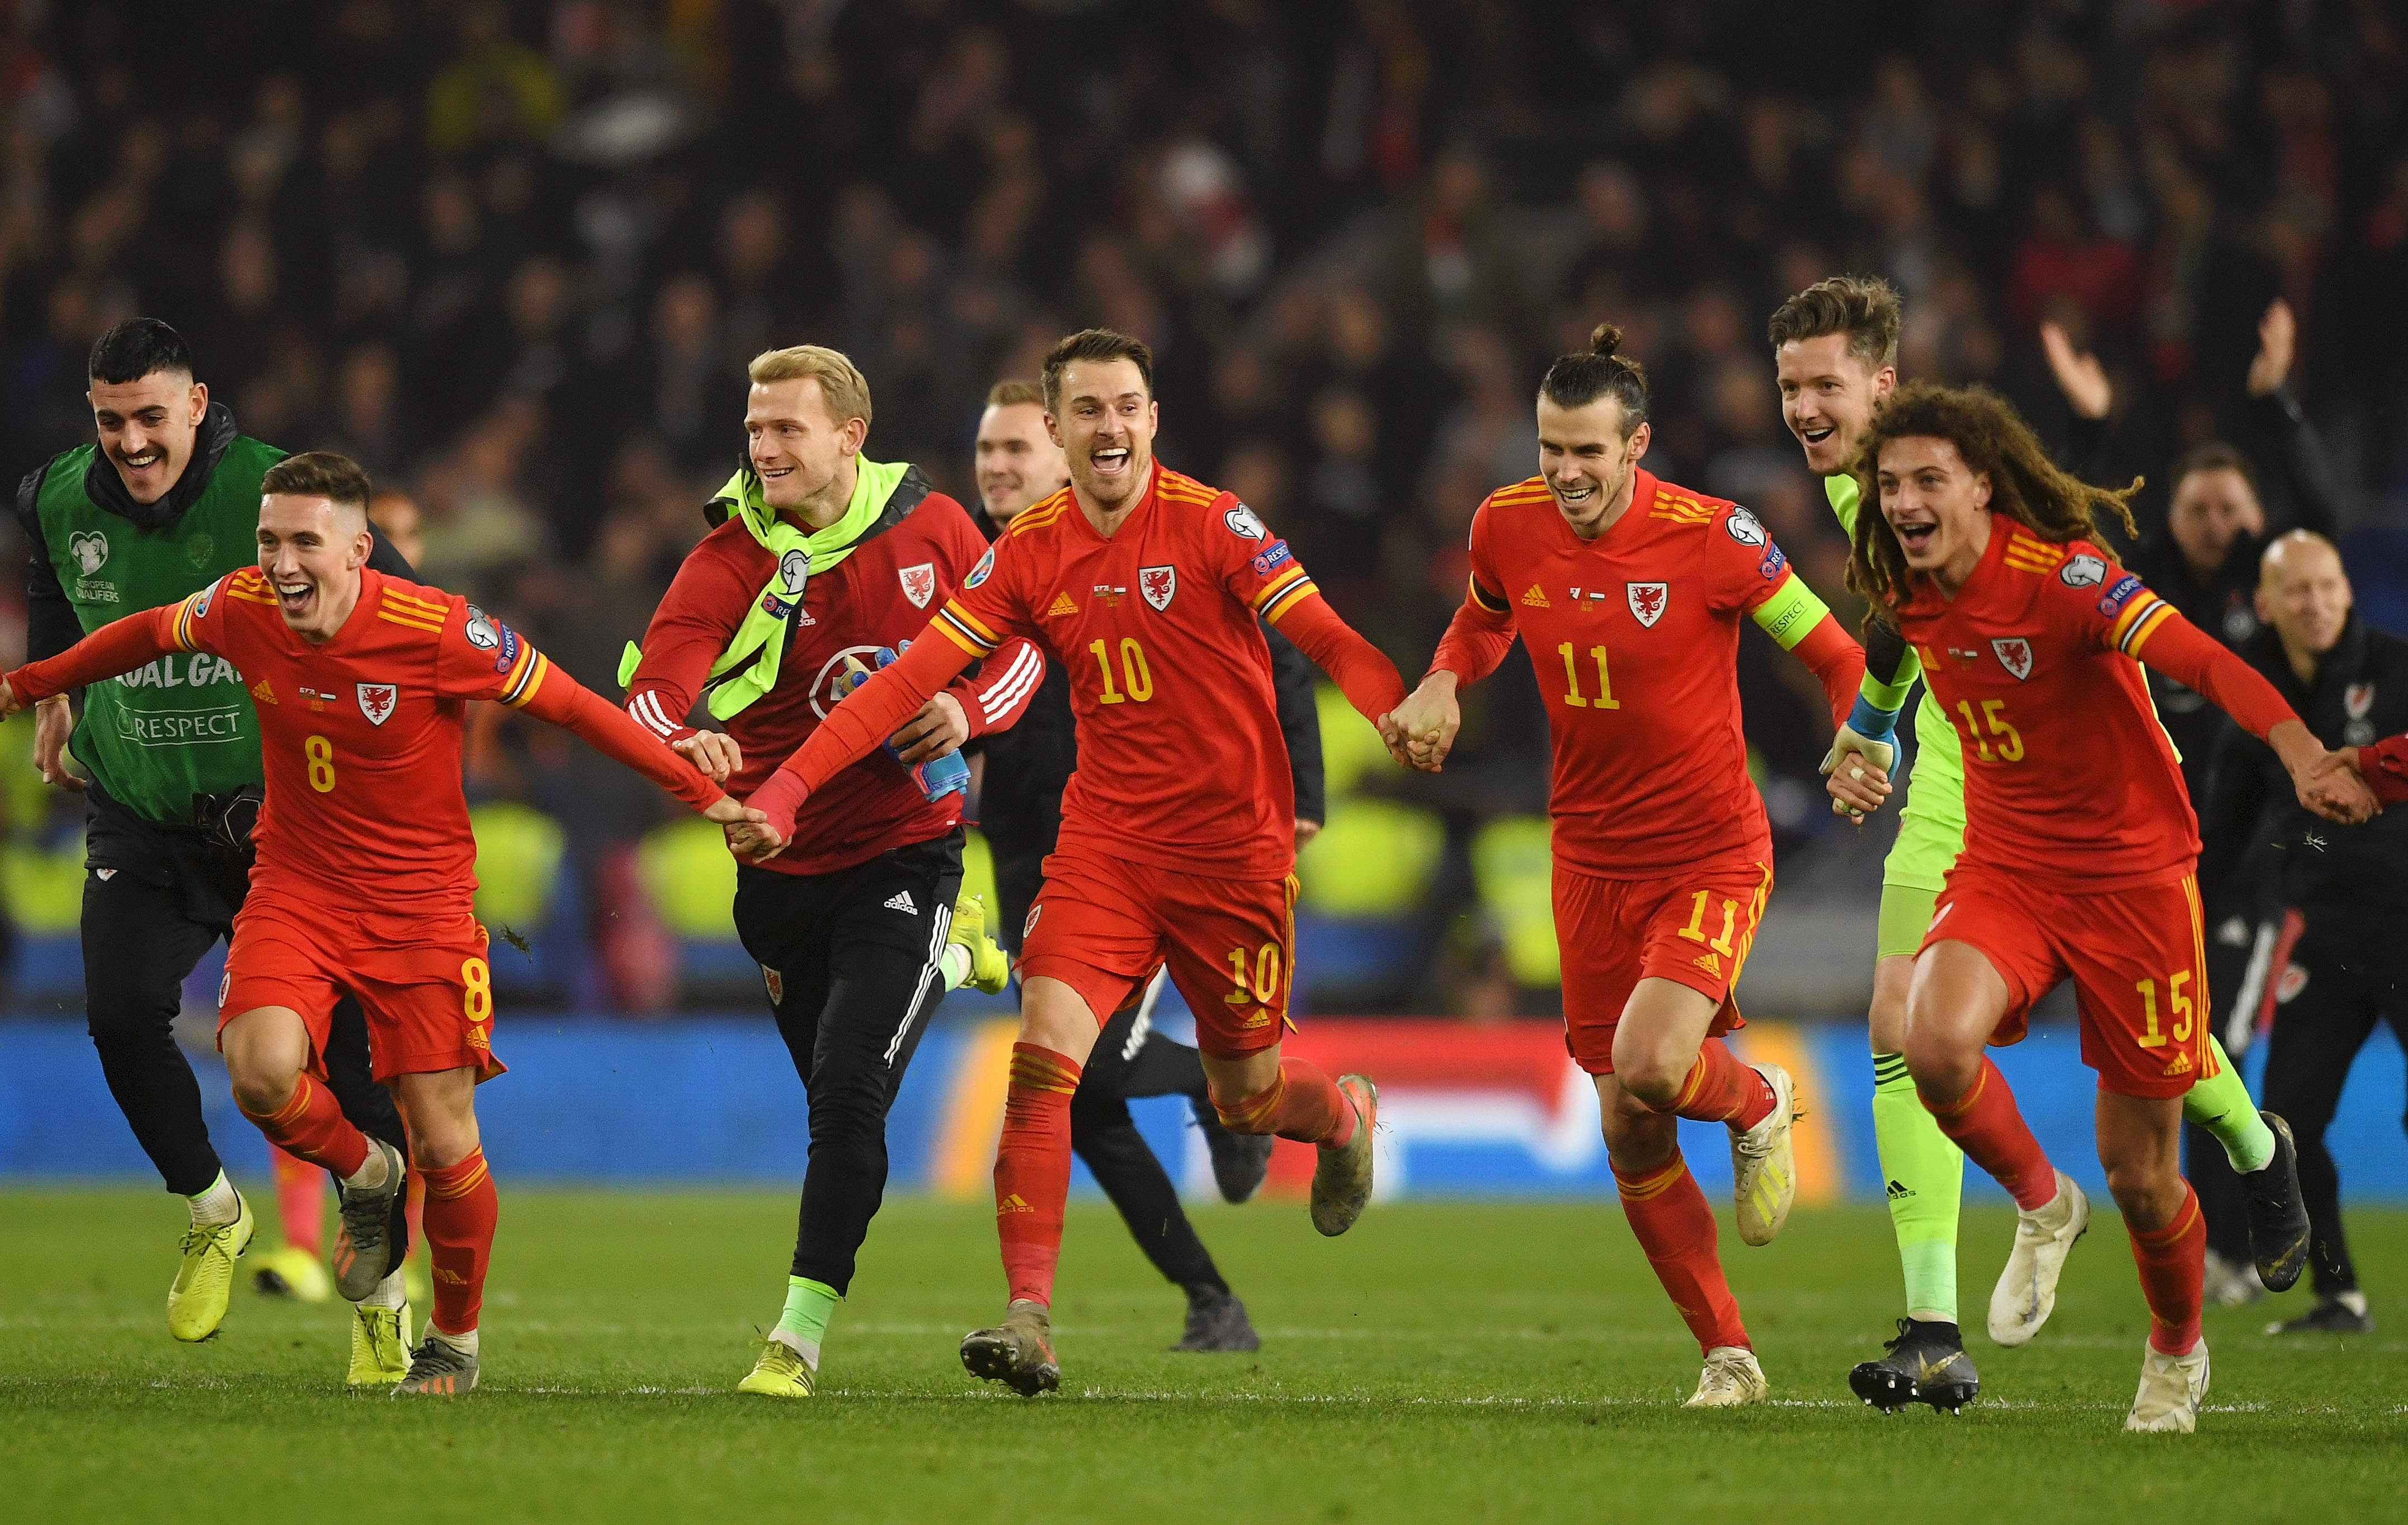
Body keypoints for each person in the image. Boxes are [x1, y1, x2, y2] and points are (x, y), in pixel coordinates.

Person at [726, 328, 1412, 1396]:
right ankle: (1029, 1317)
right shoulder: (1028, 551)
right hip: (1105, 849)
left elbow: (1317, 636)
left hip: (1232, 857)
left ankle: (1342, 1115)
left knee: (1246, 1098)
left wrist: (1398, 705)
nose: (1111, 427)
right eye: (1087, 410)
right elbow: (905, 683)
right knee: (1044, 1065)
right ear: (1056, 428)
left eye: (1128, 406)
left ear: (1152, 417)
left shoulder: (1214, 521)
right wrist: (784, 789)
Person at [0, 451, 758, 1396]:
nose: (280, 561)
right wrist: (34, 684)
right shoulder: (241, 605)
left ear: (361, 551)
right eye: (270, 539)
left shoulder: (440, 630)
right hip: (297, 884)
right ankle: (365, 1174)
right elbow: (145, 634)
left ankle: (454, 1340)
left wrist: (704, 796)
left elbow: (573, 706)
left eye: (303, 541)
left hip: (422, 908)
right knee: (262, 1072)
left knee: (446, 1141)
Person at [1772, 277, 2305, 1409]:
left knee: (2147, 1101)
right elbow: (1890, 627)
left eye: (1824, 385)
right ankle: (1937, 1314)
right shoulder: (1865, 503)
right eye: (1787, 388)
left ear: (1881, 385)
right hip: (1963, 793)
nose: (1803, 409)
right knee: (1903, 1027)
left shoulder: (1955, 482)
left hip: (2087, 796)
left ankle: (2254, 1155)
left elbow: (2069, 554)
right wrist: (1863, 737)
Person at [1386, 324, 1864, 1408]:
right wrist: (1442, 681)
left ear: (1635, 445)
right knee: (1627, 1122)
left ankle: (1754, 1101)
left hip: (1705, 851)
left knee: (1654, 1064)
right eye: (1550, 448)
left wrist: (1853, 733)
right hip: (1587, 859)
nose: (1563, 472)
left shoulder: (1716, 539)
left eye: (1586, 452)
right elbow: (1482, 619)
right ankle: (1727, 1354)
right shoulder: (1505, 525)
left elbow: (1834, 653)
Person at [620, 346, 1031, 1399]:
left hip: (907, 845)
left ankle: (794, 1339)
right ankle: (945, 968)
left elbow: (1026, 644)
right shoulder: (725, 559)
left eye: (785, 430)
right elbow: (654, 694)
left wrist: (967, 711)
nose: (762, 452)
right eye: (754, 432)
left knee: (847, 1097)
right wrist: (696, 744)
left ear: (850, 436)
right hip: (779, 869)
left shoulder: (933, 529)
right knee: (838, 1098)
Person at [13, 317, 418, 1377]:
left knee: (348, 1070)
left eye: (152, 417)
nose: (132, 444)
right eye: (111, 421)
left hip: (284, 826)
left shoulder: (274, 498)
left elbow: (404, 607)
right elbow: (52, 580)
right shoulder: (53, 496)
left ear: (198, 405)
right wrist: (53, 690)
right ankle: (213, 1209)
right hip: (141, 813)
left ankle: (381, 1298)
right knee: (117, 1016)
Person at [969, 379, 1317, 1354]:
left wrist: (1307, 803)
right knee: (1082, 1110)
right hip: (1025, 848)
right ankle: (1211, 1299)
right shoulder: (985, 562)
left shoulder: (1139, 538)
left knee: (1082, 1076)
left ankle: (1225, 1097)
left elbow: (1274, 654)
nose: (997, 466)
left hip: (1144, 842)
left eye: (1015, 450)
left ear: (1059, 453)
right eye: (984, 450)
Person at [2042, 303, 2341, 1292]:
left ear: (2257, 521)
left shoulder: (2274, 603)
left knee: (2217, 1045)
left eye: (2232, 511)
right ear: (2169, 520)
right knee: (2178, 1050)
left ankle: (2224, 1242)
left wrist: (2278, 408)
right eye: (2199, 510)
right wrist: (2086, 431)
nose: (2217, 525)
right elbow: (2058, 536)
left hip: (2248, 867)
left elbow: (2319, 523)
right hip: (2146, 858)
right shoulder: (2142, 590)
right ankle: (2217, 1232)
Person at [2195, 532, 2407, 1335]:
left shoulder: (2395, 667)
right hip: (2322, 932)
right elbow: (2225, 824)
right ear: (2268, 602)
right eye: (2298, 591)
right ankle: (2339, 1293)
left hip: (2406, 921)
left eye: (2325, 587)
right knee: (2287, 1116)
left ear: (2346, 591)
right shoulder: (2257, 698)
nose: (2314, 603)